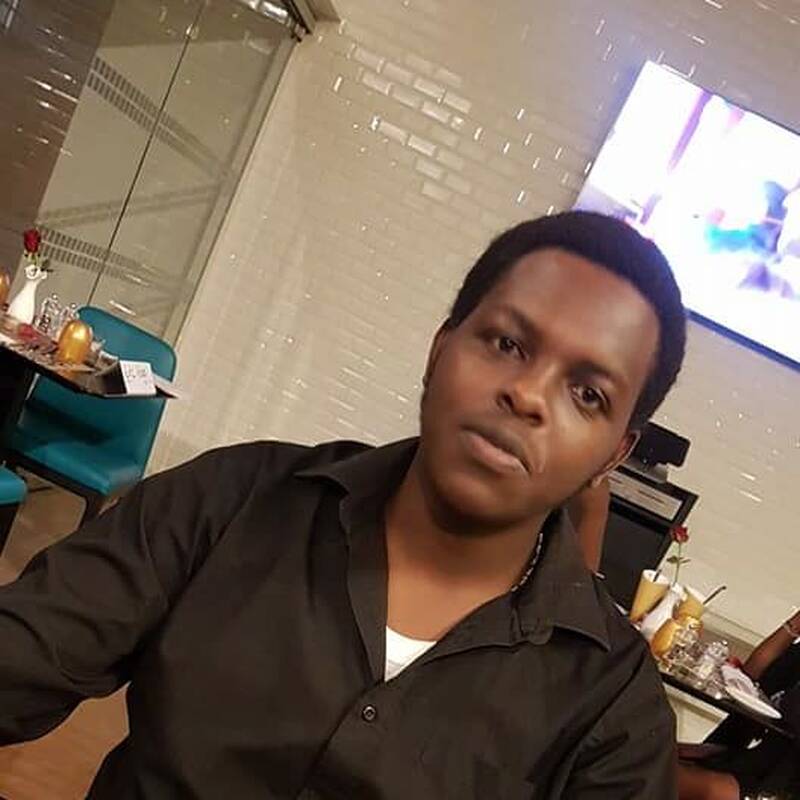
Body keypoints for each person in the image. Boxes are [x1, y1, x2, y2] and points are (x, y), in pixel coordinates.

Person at [0, 211, 688, 798]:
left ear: (613, 454)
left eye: (587, 394)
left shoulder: (611, 712)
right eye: (507, 344)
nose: (529, 395)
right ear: (440, 348)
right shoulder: (235, 499)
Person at [679, 610, 800, 800]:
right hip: (745, 761)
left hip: (774, 787)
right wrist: (794, 624)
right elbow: (751, 677)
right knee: (648, 750)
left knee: (652, 768)